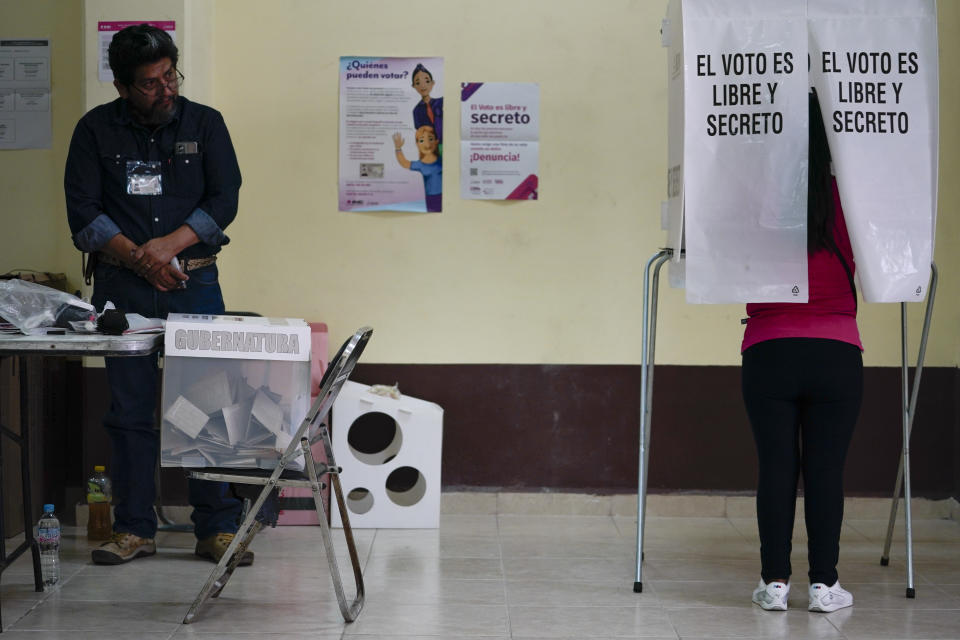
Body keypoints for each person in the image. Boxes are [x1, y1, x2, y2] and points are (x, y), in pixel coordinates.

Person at [64, 24, 258, 566]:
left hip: (193, 281)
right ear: (124, 87)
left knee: (209, 403)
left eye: (170, 75)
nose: (166, 89)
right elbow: (82, 210)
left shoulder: (205, 123)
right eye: (151, 83)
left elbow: (225, 199)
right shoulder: (95, 131)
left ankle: (215, 527)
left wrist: (166, 248)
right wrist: (138, 257)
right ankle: (133, 528)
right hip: (122, 289)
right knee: (128, 411)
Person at [741, 91, 862, 613]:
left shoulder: (757, 197)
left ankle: (773, 586)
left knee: (775, 465)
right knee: (826, 469)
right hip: (836, 349)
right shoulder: (853, 197)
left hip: (768, 347)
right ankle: (824, 586)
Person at [392, 126, 442, 212]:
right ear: (417, 144)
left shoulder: (442, 160)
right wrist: (398, 148)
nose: (427, 145)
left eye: (430, 139)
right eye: (422, 140)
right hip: (431, 198)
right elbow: (404, 163)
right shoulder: (420, 165)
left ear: (436, 141)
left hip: (447, 196)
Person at [410, 63, 442, 152]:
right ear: (414, 86)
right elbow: (421, 134)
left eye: (427, 81)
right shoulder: (416, 111)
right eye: (418, 83)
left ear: (432, 83)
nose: (423, 85)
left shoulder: (442, 102)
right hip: (431, 149)